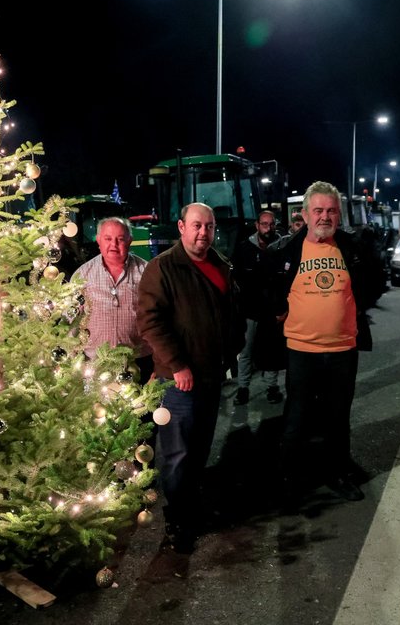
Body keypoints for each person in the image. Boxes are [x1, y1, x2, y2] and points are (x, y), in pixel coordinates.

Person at [137, 202, 243, 553]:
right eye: (197, 226)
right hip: (179, 380)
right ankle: (177, 519)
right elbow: (151, 321)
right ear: (181, 227)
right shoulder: (163, 268)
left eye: (209, 227)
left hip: (211, 376)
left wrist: (232, 351)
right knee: (176, 453)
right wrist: (177, 364)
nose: (203, 233)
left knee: (198, 448)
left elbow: (232, 313)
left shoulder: (220, 265)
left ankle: (191, 506)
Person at [271, 181, 378, 504]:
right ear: (304, 214)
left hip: (343, 349)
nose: (325, 216)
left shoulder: (351, 247)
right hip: (301, 350)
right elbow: (270, 288)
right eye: (318, 210)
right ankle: (291, 479)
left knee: (337, 417)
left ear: (339, 214)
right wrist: (278, 310)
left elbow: (374, 281)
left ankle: (338, 474)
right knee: (297, 418)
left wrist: (357, 308)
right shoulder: (288, 249)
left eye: (331, 210)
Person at [72, 217, 153, 382]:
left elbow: (159, 318)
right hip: (94, 364)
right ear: (98, 240)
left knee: (142, 407)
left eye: (120, 239)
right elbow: (71, 319)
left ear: (129, 241)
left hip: (140, 362)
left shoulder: (147, 272)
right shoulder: (83, 275)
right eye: (108, 239)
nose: (113, 245)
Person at [231, 210, 285, 405]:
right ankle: (243, 389)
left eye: (271, 224)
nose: (268, 228)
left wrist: (283, 309)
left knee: (271, 351)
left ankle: (272, 387)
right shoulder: (245, 248)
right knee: (246, 352)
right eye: (264, 224)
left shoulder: (283, 247)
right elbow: (236, 280)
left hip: (273, 312)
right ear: (257, 225)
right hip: (250, 311)